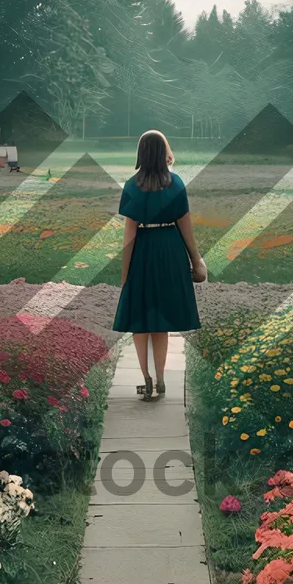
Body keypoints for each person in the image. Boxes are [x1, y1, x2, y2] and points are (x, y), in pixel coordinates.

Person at [113, 130, 207, 400]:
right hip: (170, 250)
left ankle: (146, 379)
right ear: (163, 151)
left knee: (140, 320)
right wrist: (196, 260)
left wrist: (124, 277)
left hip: (143, 250)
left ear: (141, 153)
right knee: (162, 321)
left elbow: (129, 237)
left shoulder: (132, 186)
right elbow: (186, 229)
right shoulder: (176, 184)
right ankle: (163, 379)